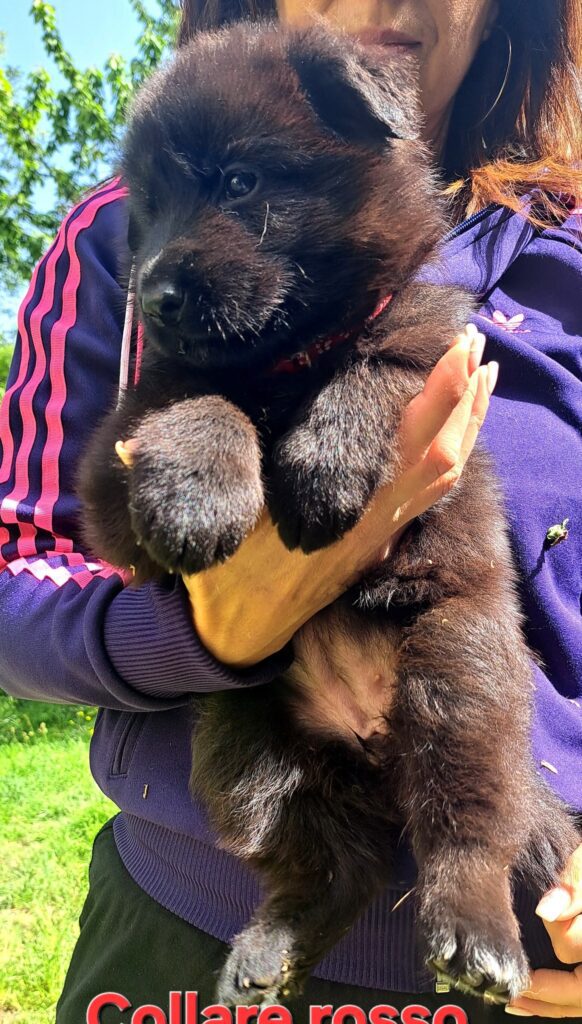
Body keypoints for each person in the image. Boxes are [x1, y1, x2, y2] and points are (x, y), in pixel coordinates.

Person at [0, 0, 580, 1021]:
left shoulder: (544, 259)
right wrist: (213, 629)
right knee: (261, 761)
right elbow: (39, 553)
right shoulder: (111, 255)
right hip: (188, 936)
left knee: (463, 654)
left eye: (238, 188)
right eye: (159, 208)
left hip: (530, 941)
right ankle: (306, 900)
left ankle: (462, 873)